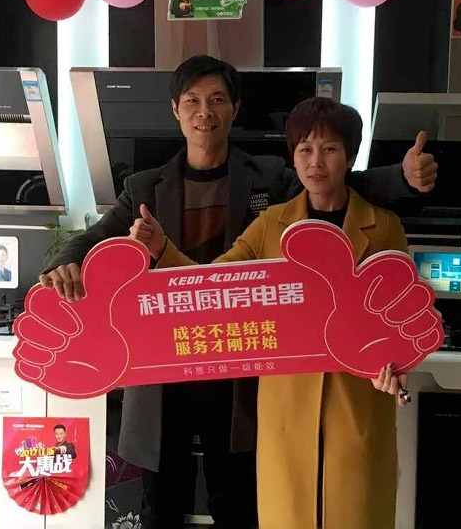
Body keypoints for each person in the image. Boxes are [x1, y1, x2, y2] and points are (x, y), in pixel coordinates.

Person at [38, 55, 438, 529]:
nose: (204, 111)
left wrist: (401, 177)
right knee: (160, 506)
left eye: (217, 99)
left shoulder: (269, 179)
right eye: (192, 101)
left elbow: (332, 182)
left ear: (235, 108)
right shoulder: (144, 186)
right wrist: (63, 263)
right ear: (175, 109)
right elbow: (94, 238)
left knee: (237, 506)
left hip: (239, 374)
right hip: (164, 372)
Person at [130, 97, 419, 528]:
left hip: (358, 400)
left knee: (356, 510)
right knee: (288, 514)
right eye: (305, 149)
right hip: (287, 406)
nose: (315, 162)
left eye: (329, 149)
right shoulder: (271, 224)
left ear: (350, 157)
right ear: (293, 158)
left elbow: (400, 311)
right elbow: (214, 284)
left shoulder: (383, 226)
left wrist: (396, 365)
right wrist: (163, 250)